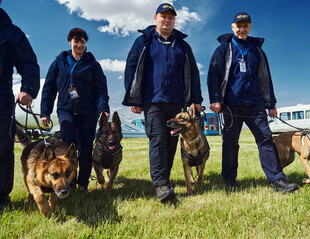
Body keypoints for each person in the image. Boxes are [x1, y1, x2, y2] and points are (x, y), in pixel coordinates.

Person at [207, 12, 298, 193]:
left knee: (266, 140)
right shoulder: (223, 49)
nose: (242, 29)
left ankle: (277, 180)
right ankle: (230, 179)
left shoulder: (257, 49)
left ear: (250, 27)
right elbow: (213, 75)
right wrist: (215, 99)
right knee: (230, 142)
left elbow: (265, 77)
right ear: (232, 27)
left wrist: (270, 103)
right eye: (238, 26)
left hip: (255, 104)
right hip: (231, 104)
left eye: (245, 26)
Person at [122, 3, 203, 202]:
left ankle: (164, 179)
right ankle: (160, 185)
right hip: (152, 101)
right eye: (163, 16)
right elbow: (131, 69)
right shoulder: (144, 41)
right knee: (157, 140)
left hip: (176, 102)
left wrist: (196, 100)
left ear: (174, 20)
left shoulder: (183, 45)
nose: (167, 20)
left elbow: (193, 72)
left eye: (170, 17)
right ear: (156, 18)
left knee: (172, 143)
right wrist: (135, 97)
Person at [41, 28, 110, 192]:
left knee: (85, 149)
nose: (79, 45)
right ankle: (68, 183)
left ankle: (83, 184)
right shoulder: (59, 62)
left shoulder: (93, 65)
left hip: (88, 112)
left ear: (86, 44)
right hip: (66, 110)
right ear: (70, 42)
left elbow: (101, 88)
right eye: (76, 41)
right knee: (67, 149)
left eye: (82, 42)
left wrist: (103, 108)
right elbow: (49, 88)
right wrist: (45, 111)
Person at [0, 2, 40, 209]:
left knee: (2, 149)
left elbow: (28, 63)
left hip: (1, 97)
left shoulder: (12, 32)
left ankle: (0, 200)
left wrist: (29, 89)